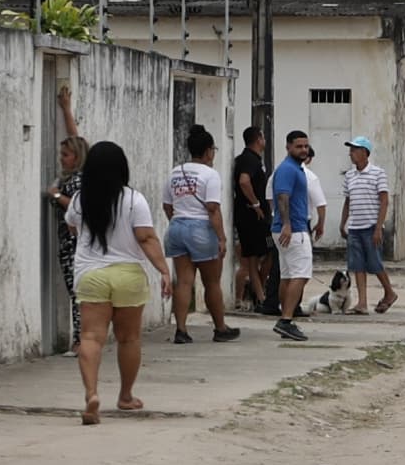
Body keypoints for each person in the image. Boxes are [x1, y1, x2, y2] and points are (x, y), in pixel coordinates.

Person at [63, 138, 165, 422]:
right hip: (128, 276)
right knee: (129, 339)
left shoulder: (79, 199)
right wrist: (164, 271)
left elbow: (72, 226)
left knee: (91, 337)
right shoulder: (134, 200)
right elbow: (146, 238)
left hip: (91, 274)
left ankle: (92, 394)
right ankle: (126, 396)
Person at [162, 123, 234, 342]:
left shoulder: (175, 172)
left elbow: (167, 206)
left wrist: (179, 220)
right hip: (201, 228)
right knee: (211, 282)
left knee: (184, 281)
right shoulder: (210, 175)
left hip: (176, 227)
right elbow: (213, 209)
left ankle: (181, 330)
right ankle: (220, 328)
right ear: (208, 151)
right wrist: (221, 238)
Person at [268, 125, 324, 342]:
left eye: (306, 146)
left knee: (288, 275)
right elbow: (282, 197)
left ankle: (285, 316)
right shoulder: (288, 169)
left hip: (288, 229)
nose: (303, 150)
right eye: (298, 146)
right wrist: (287, 224)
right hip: (294, 230)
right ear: (288, 147)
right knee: (301, 274)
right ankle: (286, 320)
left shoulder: (296, 169)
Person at [339, 136, 396, 314]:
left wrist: (379, 227)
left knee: (375, 263)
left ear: (365, 153)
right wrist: (343, 223)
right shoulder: (349, 175)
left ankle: (389, 292)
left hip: (371, 226)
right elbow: (348, 201)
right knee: (357, 266)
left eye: (354, 150)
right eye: (351, 150)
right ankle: (362, 303)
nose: (351, 154)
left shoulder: (378, 173)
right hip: (355, 227)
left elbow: (384, 201)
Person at [230, 133, 281, 320]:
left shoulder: (255, 160)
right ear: (259, 139)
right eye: (264, 138)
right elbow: (244, 181)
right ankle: (261, 297)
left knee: (267, 254)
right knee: (252, 257)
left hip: (258, 217)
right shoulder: (249, 159)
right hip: (251, 216)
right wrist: (256, 204)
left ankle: (259, 291)